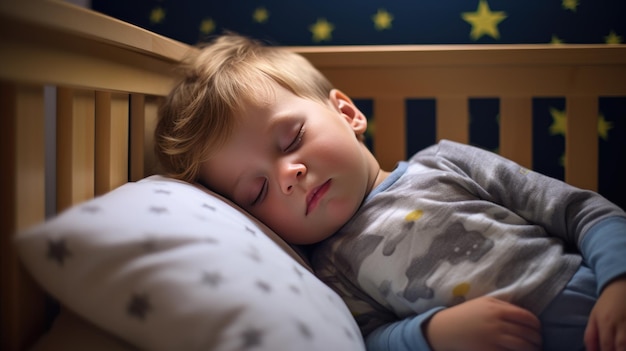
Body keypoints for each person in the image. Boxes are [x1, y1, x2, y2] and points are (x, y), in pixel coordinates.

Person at [154, 33, 626, 351]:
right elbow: (371, 337)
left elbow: (582, 211)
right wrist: (433, 333)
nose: (288, 175)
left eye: (292, 139)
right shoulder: (330, 268)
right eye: (257, 191)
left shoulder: (445, 161)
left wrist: (617, 282)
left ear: (346, 112)